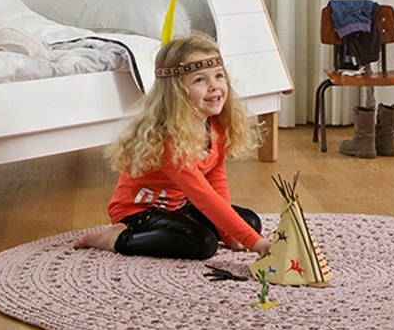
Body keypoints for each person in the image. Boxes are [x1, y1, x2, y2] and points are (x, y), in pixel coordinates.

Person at [74, 32, 272, 260]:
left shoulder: (215, 125)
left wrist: (230, 235)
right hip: (140, 212)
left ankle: (193, 229)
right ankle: (117, 238)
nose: (214, 86)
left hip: (180, 205)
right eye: (200, 80)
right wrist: (254, 242)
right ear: (177, 92)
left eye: (219, 76)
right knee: (203, 243)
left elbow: (216, 182)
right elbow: (204, 197)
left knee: (250, 222)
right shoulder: (169, 139)